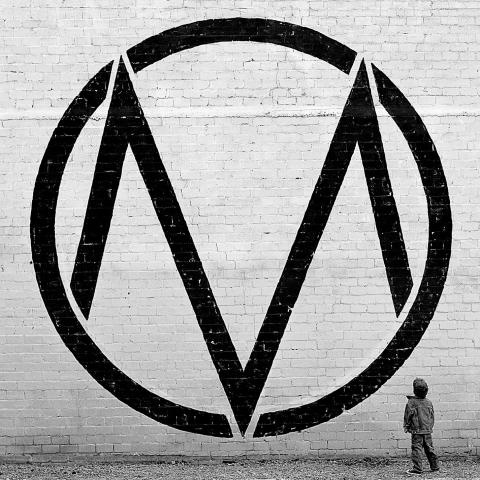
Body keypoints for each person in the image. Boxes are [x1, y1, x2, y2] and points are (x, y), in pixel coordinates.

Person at [404, 378, 439, 475]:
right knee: (430, 448)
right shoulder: (429, 402)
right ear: (426, 390)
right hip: (427, 430)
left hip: (416, 431)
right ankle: (435, 466)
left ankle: (417, 469)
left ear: (414, 390)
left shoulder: (411, 402)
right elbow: (432, 416)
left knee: (417, 449)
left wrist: (406, 426)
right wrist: (429, 427)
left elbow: (407, 415)